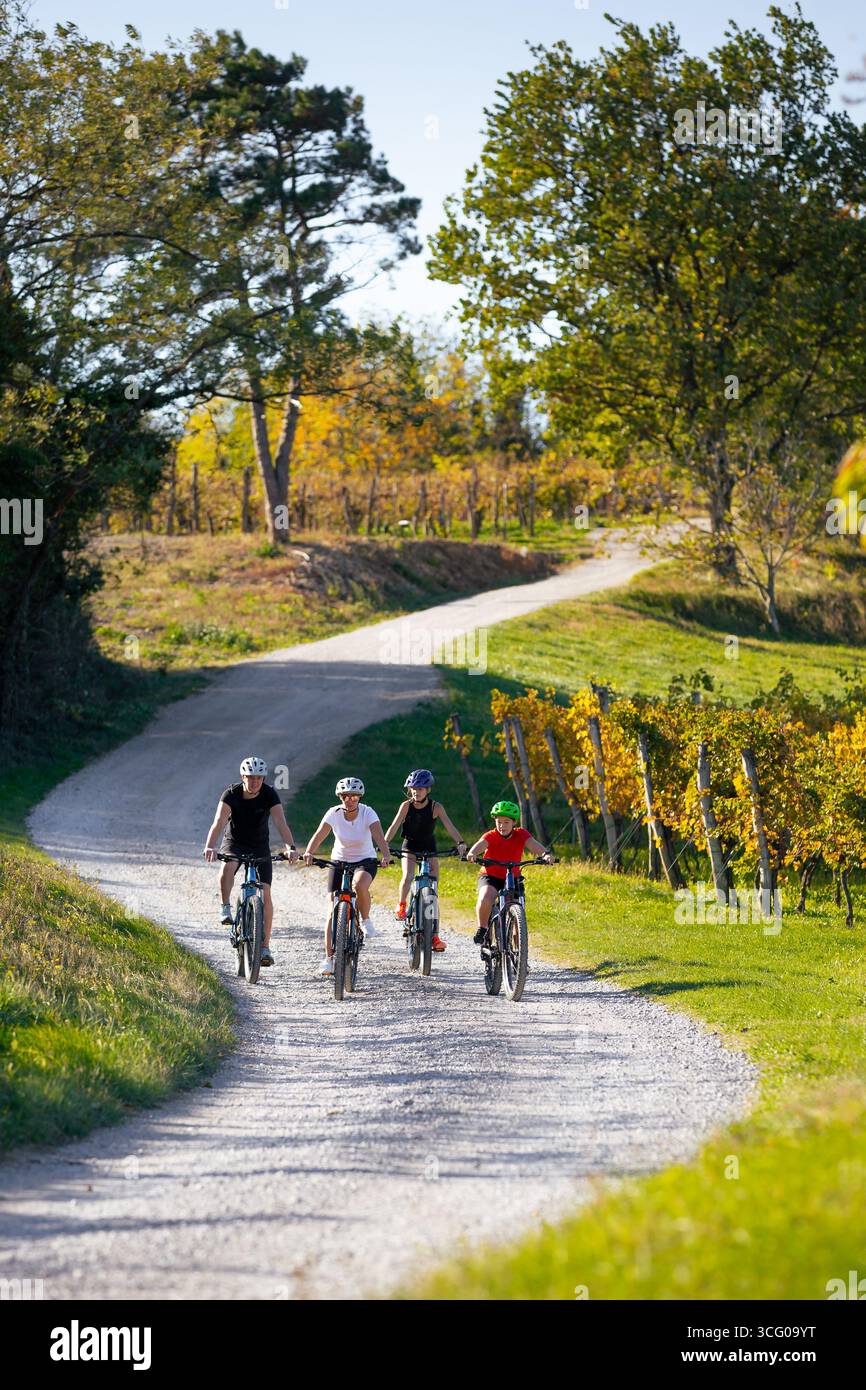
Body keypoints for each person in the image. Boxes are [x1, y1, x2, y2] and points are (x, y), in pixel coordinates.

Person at [203, 756, 298, 967]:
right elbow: (218, 822)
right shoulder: (231, 794)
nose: (255, 782)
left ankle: (264, 947)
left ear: (263, 778)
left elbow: (281, 822)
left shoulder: (269, 793)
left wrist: (290, 848)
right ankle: (225, 906)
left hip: (259, 846)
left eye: (258, 778)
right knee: (227, 866)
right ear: (242, 777)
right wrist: (210, 846)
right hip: (234, 842)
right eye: (250, 778)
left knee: (265, 892)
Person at [303, 776, 392, 976]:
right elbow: (320, 834)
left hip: (365, 860)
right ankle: (329, 959)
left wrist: (385, 855)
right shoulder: (333, 814)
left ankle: (366, 920)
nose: (350, 800)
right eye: (345, 796)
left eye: (354, 796)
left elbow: (378, 835)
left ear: (359, 797)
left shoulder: (368, 812)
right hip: (339, 861)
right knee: (331, 908)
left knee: (359, 886)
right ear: (340, 797)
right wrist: (309, 852)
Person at [383, 769, 466, 952]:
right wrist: (385, 845)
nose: (416, 791)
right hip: (410, 846)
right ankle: (402, 904)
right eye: (413, 788)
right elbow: (394, 825)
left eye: (420, 788)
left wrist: (460, 842)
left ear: (428, 789)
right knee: (408, 875)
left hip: (429, 847)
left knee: (433, 892)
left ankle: (434, 936)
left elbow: (449, 826)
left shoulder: (436, 807)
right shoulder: (406, 806)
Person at [466, 800, 553, 945]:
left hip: (513, 877)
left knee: (518, 912)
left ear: (514, 823)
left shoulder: (521, 834)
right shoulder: (491, 835)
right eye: (499, 822)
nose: (502, 826)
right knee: (485, 898)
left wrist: (545, 854)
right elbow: (480, 845)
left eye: (506, 822)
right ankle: (482, 927)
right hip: (490, 876)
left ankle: (520, 956)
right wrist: (472, 853)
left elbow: (533, 845)